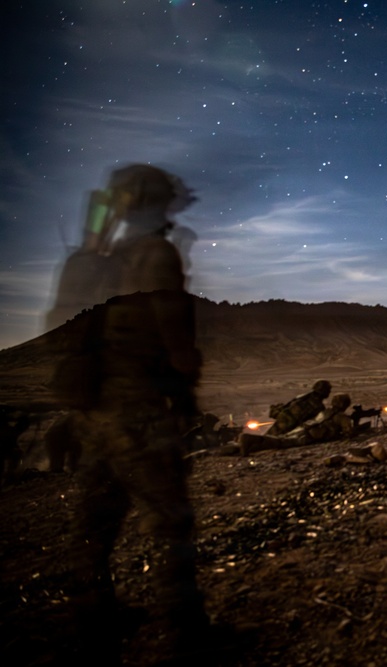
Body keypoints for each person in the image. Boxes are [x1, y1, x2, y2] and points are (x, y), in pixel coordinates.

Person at [48, 164, 217, 662]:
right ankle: (189, 636)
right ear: (156, 204)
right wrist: (185, 395)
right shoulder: (153, 256)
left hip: (93, 409)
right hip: (139, 407)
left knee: (94, 521)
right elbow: (177, 344)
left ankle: (94, 621)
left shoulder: (93, 262)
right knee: (170, 522)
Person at [266, 379, 332, 436]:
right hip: (290, 425)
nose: (329, 392)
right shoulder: (318, 406)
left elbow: (288, 405)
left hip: (283, 419)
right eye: (328, 390)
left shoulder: (302, 397)